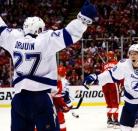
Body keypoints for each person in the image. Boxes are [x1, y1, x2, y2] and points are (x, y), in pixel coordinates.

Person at [0, 1, 97, 131]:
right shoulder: (45, 39)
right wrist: (83, 19)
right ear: (39, 29)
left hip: (19, 100)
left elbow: (1, 29)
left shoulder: (13, 38)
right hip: (41, 99)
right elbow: (69, 34)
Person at [102, 51, 122, 128]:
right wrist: (122, 84)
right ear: (114, 56)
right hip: (113, 84)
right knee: (115, 104)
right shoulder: (117, 63)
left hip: (104, 85)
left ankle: (109, 119)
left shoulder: (104, 65)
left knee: (109, 104)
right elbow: (120, 75)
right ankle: (116, 120)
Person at [52, 66, 72, 131]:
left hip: (52, 104)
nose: (61, 77)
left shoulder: (60, 82)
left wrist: (64, 105)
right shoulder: (51, 81)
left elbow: (59, 97)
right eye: (60, 75)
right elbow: (57, 98)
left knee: (61, 120)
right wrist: (64, 106)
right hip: (44, 104)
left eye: (63, 76)